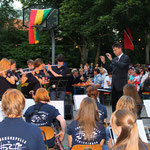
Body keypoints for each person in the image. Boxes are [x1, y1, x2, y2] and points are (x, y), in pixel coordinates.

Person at [100, 42, 130, 112]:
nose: (114, 52)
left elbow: (122, 66)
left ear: (120, 49)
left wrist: (111, 60)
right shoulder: (115, 59)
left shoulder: (126, 57)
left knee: (121, 105)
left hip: (121, 85)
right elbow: (110, 69)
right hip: (114, 85)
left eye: (115, 50)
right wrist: (104, 62)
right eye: (113, 50)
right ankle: (113, 119)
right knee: (114, 105)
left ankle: (121, 120)